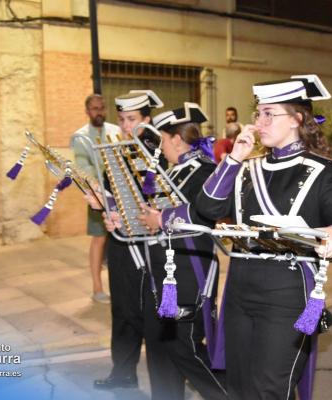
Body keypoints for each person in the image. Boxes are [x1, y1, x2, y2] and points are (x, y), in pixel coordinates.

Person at [196, 75, 332, 400]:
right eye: (257, 113)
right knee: (238, 387)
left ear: (296, 119)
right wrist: (234, 158)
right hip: (239, 291)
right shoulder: (247, 168)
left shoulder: (321, 170)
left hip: (286, 295)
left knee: (270, 390)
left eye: (268, 114)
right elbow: (207, 207)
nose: (258, 122)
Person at [134, 103, 227, 399]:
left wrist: (160, 219)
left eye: (161, 140)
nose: (159, 149)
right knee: (164, 346)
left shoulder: (207, 171)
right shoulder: (172, 173)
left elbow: (203, 214)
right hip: (164, 271)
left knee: (184, 346)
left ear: (175, 139)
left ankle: (229, 394)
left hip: (191, 272)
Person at [92, 90, 165, 390]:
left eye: (131, 119)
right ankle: (123, 372)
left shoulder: (158, 153)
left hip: (150, 246)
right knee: (121, 309)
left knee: (150, 314)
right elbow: (114, 196)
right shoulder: (118, 151)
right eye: (121, 119)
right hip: (122, 243)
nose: (124, 126)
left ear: (147, 120)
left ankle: (169, 382)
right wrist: (101, 202)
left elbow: (162, 199)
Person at [70, 94, 121, 304]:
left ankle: (119, 287)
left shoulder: (115, 131)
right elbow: (84, 168)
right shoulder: (80, 137)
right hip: (98, 193)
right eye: (94, 109)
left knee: (119, 241)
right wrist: (100, 192)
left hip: (119, 191)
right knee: (99, 238)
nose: (98, 112)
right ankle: (97, 288)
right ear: (87, 111)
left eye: (101, 108)